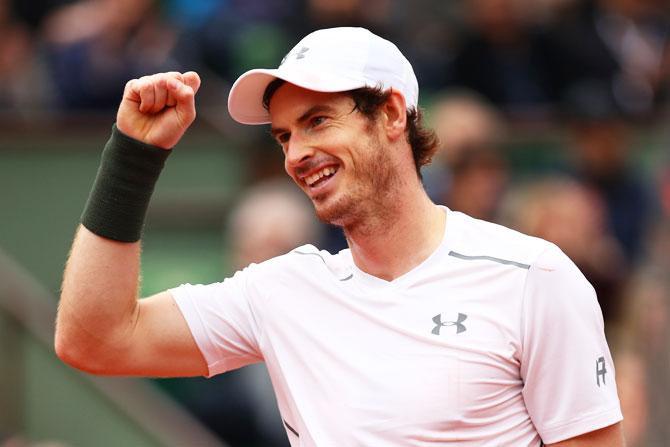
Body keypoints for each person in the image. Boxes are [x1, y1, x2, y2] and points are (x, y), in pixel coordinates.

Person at [56, 27, 624, 446]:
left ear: (393, 115)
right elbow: (95, 339)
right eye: (283, 136)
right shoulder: (281, 290)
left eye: (318, 121)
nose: (298, 154)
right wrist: (133, 157)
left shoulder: (533, 276)